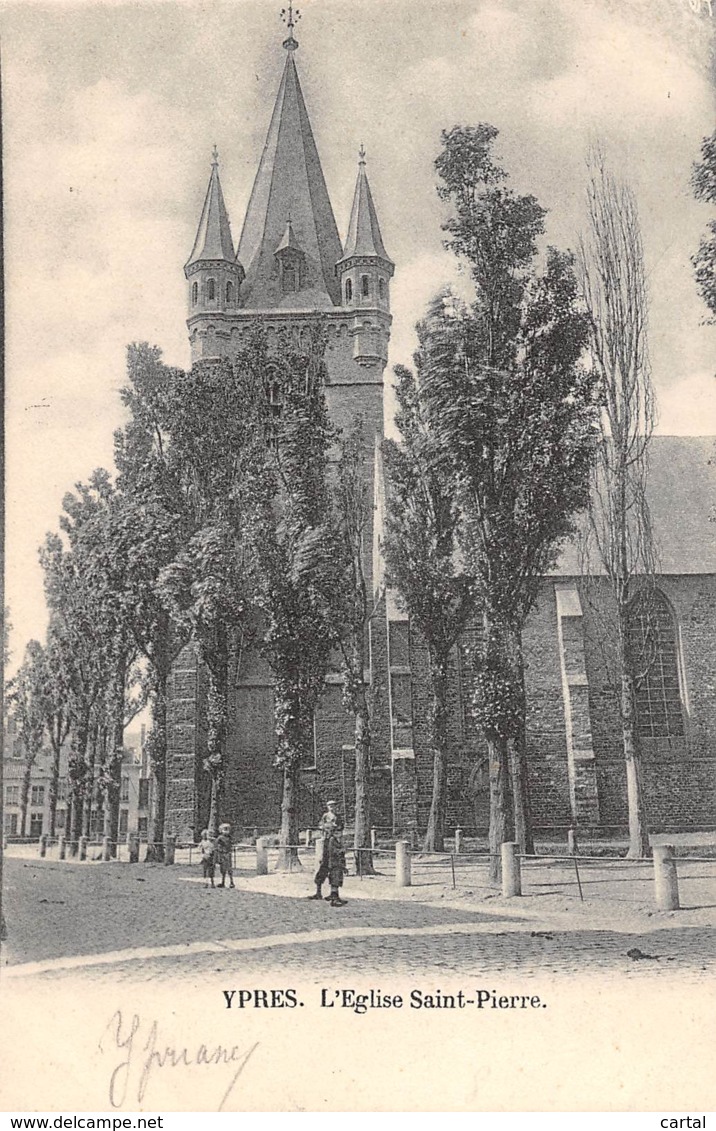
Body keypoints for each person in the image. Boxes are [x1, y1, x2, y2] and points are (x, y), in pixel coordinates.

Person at [308, 824, 347, 907]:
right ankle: (324, 895)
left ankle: (334, 896)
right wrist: (341, 850)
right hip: (330, 862)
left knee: (335, 879)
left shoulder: (335, 839)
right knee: (323, 877)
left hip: (334, 862)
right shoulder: (331, 839)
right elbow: (331, 851)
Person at [216, 823, 235, 889]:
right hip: (222, 854)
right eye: (225, 829)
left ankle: (231, 882)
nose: (226, 831)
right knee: (223, 869)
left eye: (228, 829)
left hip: (227, 854)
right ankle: (223, 882)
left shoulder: (229, 837)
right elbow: (217, 844)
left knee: (229, 868)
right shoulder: (220, 838)